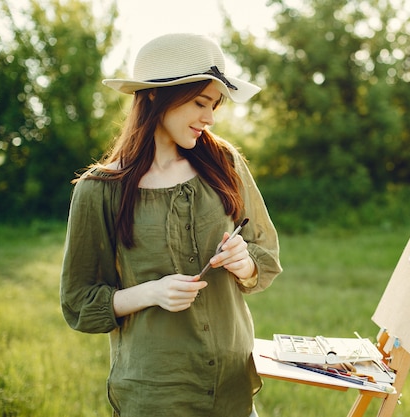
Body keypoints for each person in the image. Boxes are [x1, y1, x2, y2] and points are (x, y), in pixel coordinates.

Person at [60, 33, 282, 417]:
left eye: (214, 105)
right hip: (156, 393)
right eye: (200, 103)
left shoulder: (224, 162)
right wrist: (151, 293)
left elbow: (265, 252)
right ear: (153, 97)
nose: (210, 118)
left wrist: (243, 262)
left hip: (232, 387)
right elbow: (78, 302)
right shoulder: (99, 190)